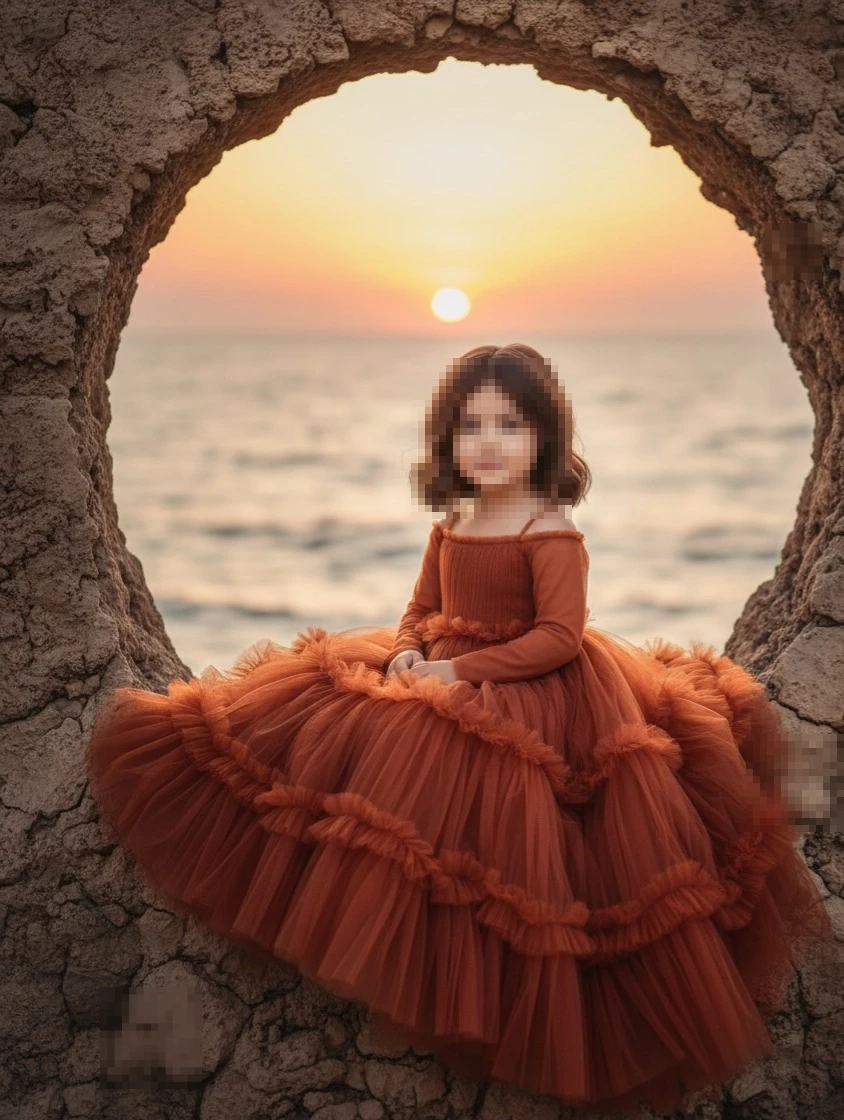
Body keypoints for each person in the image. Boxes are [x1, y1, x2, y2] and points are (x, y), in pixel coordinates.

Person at [85, 342, 832, 1114]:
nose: (488, 442)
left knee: (514, 826)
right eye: (470, 425)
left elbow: (558, 638)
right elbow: (418, 606)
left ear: (545, 436)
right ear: (446, 440)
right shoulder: (455, 519)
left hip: (537, 687)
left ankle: (486, 989)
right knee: (333, 744)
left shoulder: (551, 529)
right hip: (442, 664)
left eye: (509, 425)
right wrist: (410, 649)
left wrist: (456, 673)